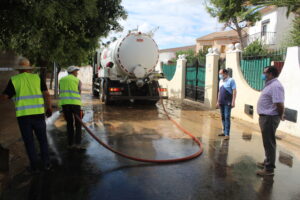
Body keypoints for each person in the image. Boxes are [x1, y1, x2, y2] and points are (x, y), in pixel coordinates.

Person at [0, 57, 52, 173]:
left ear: (19, 70)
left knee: (29, 142)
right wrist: (49, 108)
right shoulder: (37, 78)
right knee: (43, 140)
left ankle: (34, 167)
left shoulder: (14, 80)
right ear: (29, 69)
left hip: (24, 117)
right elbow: (47, 95)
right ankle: (46, 164)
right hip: (38, 115)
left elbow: (5, 97)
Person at [256, 66, 285, 176]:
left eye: (265, 72)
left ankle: (269, 169)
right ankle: (267, 161)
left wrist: (281, 115)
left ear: (271, 74)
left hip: (269, 118)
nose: (263, 74)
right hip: (266, 117)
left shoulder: (275, 86)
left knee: (269, 143)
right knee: (267, 142)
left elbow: (279, 104)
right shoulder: (270, 85)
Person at [59, 66, 84, 150]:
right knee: (78, 124)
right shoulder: (77, 80)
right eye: (76, 71)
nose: (77, 73)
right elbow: (79, 92)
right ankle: (78, 144)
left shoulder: (61, 80)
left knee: (69, 124)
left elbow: (60, 92)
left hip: (65, 105)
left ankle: (70, 144)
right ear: (72, 72)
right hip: (75, 105)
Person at [216, 69, 237, 140]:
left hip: (228, 102)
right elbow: (219, 92)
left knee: (227, 117)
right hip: (221, 101)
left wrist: (233, 101)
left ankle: (227, 134)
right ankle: (224, 131)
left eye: (221, 74)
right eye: (219, 74)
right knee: (222, 117)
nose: (220, 75)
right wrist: (218, 101)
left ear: (225, 73)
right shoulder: (221, 81)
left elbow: (234, 91)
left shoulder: (231, 80)